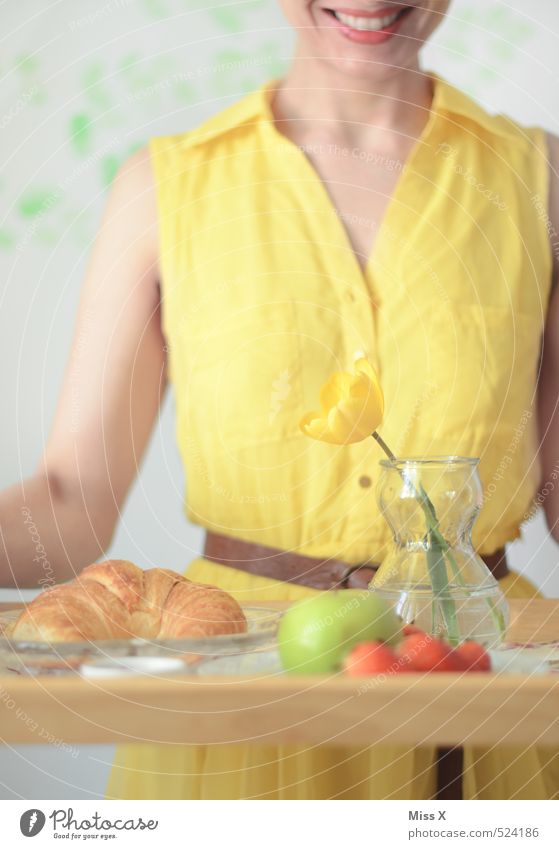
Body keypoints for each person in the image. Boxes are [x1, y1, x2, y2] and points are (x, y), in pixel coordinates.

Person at [2, 0, 559, 799]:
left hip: (478, 687)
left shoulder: (538, 179)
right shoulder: (161, 187)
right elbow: (70, 503)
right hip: (234, 696)